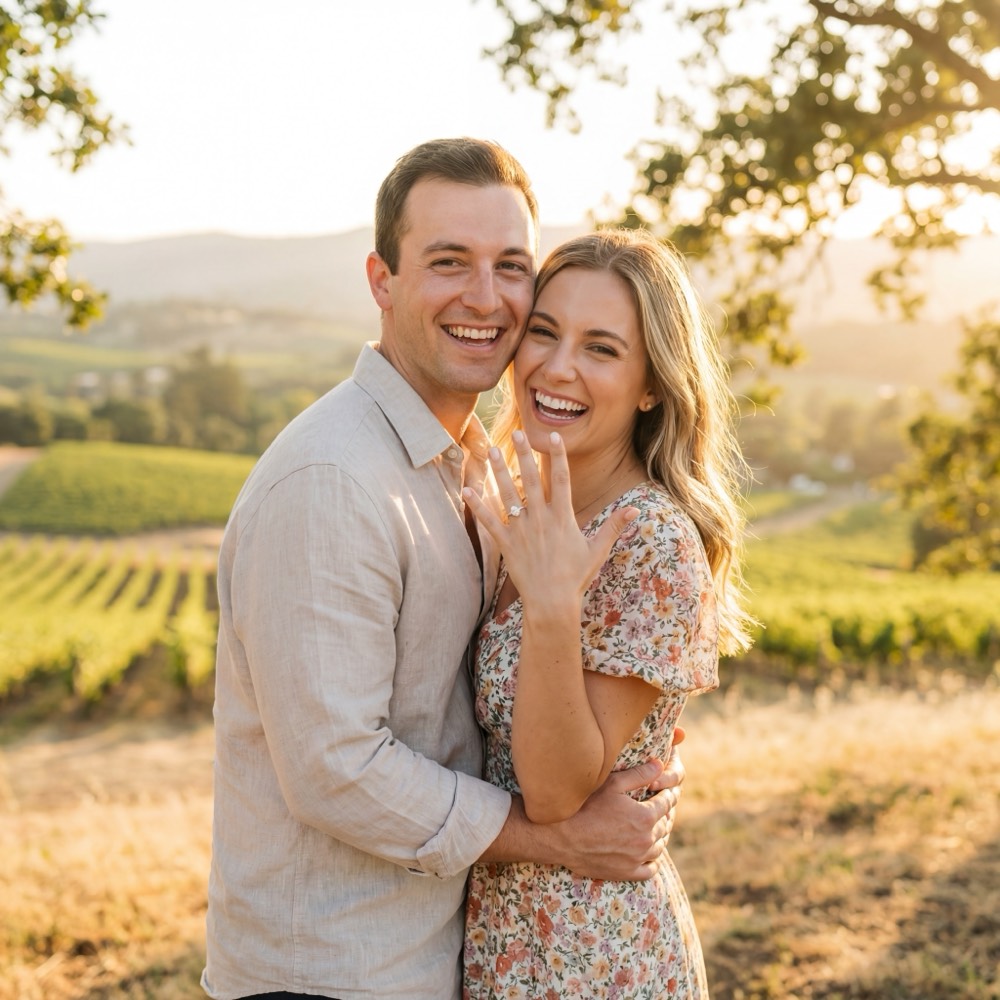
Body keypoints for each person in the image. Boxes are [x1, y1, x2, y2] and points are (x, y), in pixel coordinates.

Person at [202, 139, 684, 1000]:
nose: (485, 298)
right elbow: (337, 769)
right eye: (448, 262)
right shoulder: (334, 480)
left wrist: (629, 744)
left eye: (510, 267)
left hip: (442, 961)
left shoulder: (476, 469)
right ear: (381, 281)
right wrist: (561, 838)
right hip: (332, 972)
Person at [461, 229, 755, 998]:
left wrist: (554, 605)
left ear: (652, 384)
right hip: (502, 945)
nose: (557, 369)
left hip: (593, 956)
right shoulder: (523, 505)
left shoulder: (651, 541)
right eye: (545, 333)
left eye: (601, 349)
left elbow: (556, 791)